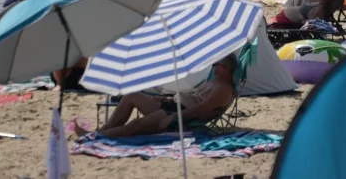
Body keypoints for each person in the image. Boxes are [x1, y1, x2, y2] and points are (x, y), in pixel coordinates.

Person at [74, 55, 237, 138]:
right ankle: (102, 132)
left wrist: (172, 117)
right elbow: (192, 97)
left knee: (136, 125)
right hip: (172, 105)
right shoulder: (213, 82)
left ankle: (94, 137)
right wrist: (168, 99)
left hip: (178, 114)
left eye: (215, 64)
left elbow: (200, 109)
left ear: (222, 69)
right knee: (131, 96)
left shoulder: (223, 89)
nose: (213, 67)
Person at [269, 0, 334, 27]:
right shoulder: (324, 5)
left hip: (282, 21)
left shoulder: (320, 11)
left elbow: (306, 23)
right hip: (282, 17)